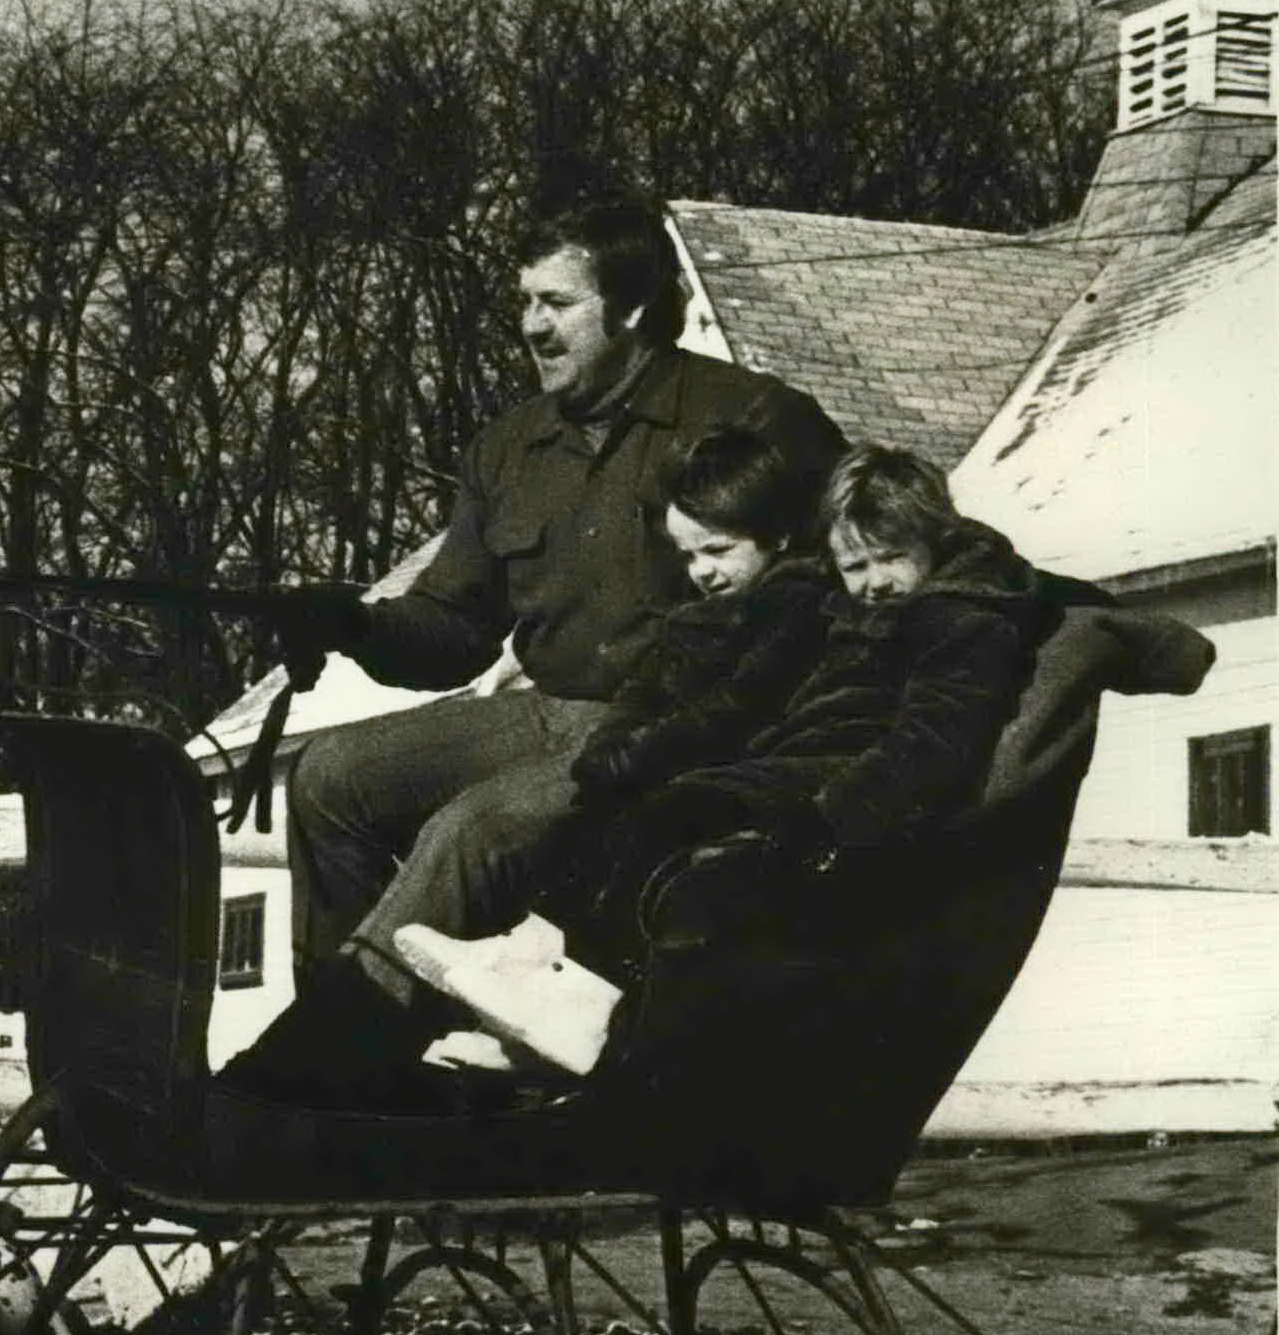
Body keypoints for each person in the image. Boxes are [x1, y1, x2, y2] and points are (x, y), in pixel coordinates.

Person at [223, 192, 847, 1105]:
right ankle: (377, 1051)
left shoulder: (751, 415)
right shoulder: (509, 447)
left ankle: (323, 1064)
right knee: (332, 776)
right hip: (545, 710)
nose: (530, 326)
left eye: (556, 303)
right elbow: (450, 634)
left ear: (631, 308)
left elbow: (867, 550)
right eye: (523, 303)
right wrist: (355, 623)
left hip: (680, 730)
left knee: (481, 826)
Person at [396, 444, 1043, 1073]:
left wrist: (827, 820)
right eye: (855, 566)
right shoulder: (859, 598)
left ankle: (586, 1007)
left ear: (934, 541)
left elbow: (929, 745)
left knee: (678, 811)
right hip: (796, 762)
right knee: (624, 814)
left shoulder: (962, 616)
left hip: (838, 784)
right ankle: (530, 984)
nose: (872, 583)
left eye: (890, 559)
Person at [393, 426, 835, 1073]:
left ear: (779, 537)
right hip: (686, 767)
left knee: (631, 828)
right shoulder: (707, 612)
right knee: (584, 816)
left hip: (745, 778)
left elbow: (739, 705)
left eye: (718, 550)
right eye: (689, 556)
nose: (703, 571)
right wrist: (611, 745)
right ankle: (532, 989)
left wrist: (639, 753)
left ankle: (568, 1002)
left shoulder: (793, 604)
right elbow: (645, 690)